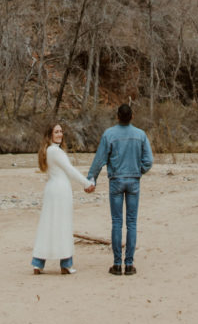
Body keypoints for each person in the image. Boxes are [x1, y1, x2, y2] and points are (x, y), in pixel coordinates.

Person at [87, 103, 153, 275]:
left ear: (117, 116)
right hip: (133, 181)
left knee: (117, 222)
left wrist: (91, 178)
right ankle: (129, 264)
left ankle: (117, 264)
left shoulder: (109, 134)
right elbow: (149, 161)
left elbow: (99, 160)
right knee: (131, 223)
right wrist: (138, 171)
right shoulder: (140, 135)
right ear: (132, 117)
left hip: (116, 180)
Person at [31, 121, 94, 274]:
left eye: (61, 131)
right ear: (50, 135)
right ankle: (66, 263)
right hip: (60, 190)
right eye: (56, 132)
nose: (60, 134)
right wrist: (86, 183)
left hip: (52, 189)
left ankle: (38, 263)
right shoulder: (55, 151)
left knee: (48, 224)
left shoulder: (49, 151)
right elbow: (70, 170)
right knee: (63, 225)